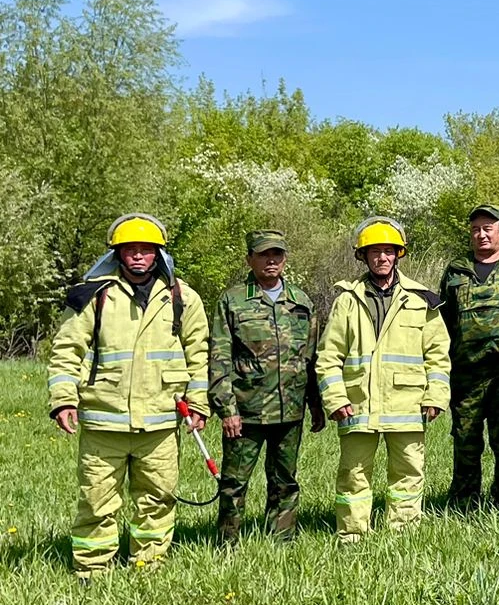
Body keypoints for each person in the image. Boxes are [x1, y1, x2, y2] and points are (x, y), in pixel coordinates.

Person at [47, 214, 209, 577]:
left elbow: (199, 355)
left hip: (161, 422)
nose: (138, 255)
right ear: (117, 253)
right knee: (96, 500)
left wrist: (198, 403)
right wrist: (63, 398)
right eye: (130, 249)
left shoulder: (182, 297)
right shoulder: (94, 294)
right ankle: (92, 570)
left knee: (157, 499)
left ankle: (148, 566)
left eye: (145, 249)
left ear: (158, 254)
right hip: (104, 419)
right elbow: (66, 349)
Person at [316, 217, 451, 542]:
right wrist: (335, 399)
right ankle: (352, 536)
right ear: (363, 256)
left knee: (408, 474)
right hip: (357, 407)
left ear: (398, 254)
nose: (382, 258)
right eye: (374, 251)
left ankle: (402, 536)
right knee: (353, 475)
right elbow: (328, 356)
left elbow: (438, 355)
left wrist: (436, 396)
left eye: (388, 251)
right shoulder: (347, 301)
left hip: (408, 406)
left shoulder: (421, 300)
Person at [210, 229, 323, 543]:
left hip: (290, 410)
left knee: (285, 482)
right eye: (263, 255)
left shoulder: (301, 302)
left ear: (285, 259)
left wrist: (315, 404)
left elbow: (311, 358)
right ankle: (227, 544)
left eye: (277, 254)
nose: (271, 260)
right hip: (247, 412)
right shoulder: (233, 301)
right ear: (250, 259)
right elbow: (219, 359)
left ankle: (281, 541)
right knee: (234, 483)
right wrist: (227, 410)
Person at [439, 204, 499, 506]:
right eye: (475, 229)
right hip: (466, 373)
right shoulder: (456, 270)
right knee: (465, 439)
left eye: (487, 228)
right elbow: (442, 321)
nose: (481, 234)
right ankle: (464, 501)